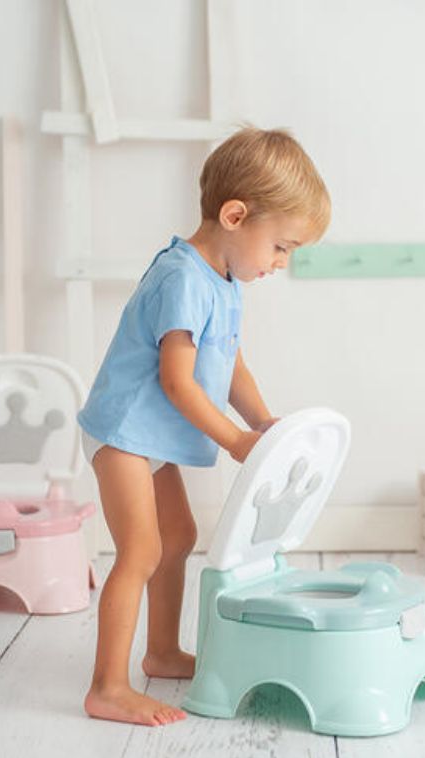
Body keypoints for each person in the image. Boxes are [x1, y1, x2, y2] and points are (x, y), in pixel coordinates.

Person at [76, 126, 331, 726]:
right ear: (235, 216)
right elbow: (178, 381)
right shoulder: (183, 277)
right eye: (281, 247)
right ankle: (107, 687)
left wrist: (261, 420)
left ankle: (162, 652)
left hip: (149, 437)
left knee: (179, 537)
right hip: (122, 431)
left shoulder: (225, 280)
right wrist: (235, 440)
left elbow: (230, 362)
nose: (281, 263)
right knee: (140, 550)